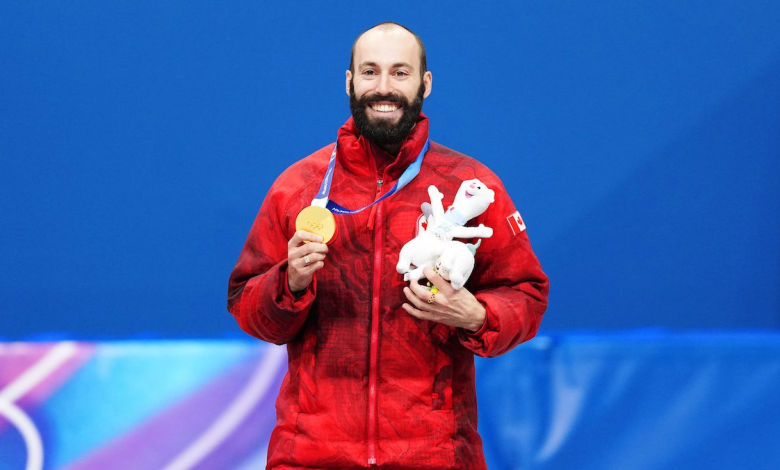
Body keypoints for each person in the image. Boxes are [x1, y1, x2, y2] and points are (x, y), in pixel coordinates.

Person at [228, 22, 549, 469]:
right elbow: (246, 302)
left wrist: (477, 315)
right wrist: (291, 282)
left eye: (400, 73)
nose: (384, 88)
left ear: (425, 83)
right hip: (312, 456)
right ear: (349, 81)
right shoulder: (297, 187)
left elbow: (527, 295)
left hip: (435, 456)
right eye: (370, 72)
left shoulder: (470, 188)